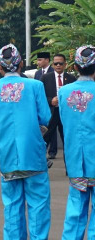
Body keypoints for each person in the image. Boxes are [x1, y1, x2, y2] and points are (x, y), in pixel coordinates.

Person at [0, 44, 52, 239]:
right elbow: (45, 118)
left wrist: (5, 137)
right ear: (21, 64)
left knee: (12, 205)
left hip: (7, 154)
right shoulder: (35, 86)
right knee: (38, 204)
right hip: (33, 154)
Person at [58, 45, 95, 239]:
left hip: (74, 157)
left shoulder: (64, 92)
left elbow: (64, 122)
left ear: (75, 66)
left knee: (75, 207)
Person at [41, 53, 76, 161]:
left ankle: (70, 167)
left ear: (65, 64)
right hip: (51, 113)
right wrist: (51, 100)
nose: (58, 65)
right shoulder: (45, 78)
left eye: (60, 63)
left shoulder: (71, 79)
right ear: (52, 64)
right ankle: (40, 164)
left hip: (65, 114)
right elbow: (40, 97)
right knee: (44, 138)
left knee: (67, 140)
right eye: (56, 63)